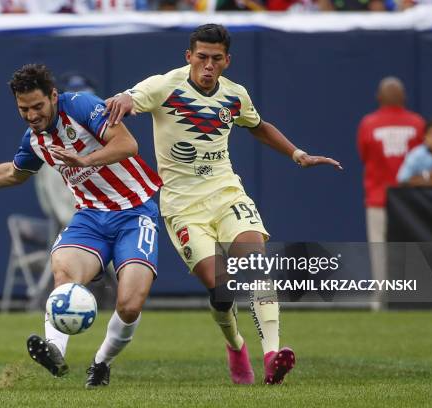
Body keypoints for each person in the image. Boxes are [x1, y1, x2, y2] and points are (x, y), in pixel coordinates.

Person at [105, 24, 341, 385]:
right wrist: (122, 97)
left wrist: (297, 153)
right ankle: (235, 344)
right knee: (222, 286)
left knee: (256, 262)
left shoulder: (234, 95)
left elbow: (258, 125)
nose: (208, 65)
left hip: (226, 193)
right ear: (189, 57)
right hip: (183, 207)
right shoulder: (165, 86)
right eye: (201, 57)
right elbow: (131, 97)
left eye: (216, 59)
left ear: (227, 61)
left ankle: (273, 355)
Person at [0, 63, 163, 389]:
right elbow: (11, 174)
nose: (32, 115)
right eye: (24, 109)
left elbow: (127, 145)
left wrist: (84, 160)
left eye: (37, 106)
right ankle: (55, 351)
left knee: (130, 303)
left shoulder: (81, 106)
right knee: (63, 269)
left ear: (53, 95)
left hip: (135, 211)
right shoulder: (34, 140)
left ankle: (101, 362)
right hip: (90, 216)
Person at [357, 77, 424, 243]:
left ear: (378, 97)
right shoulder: (418, 124)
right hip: (411, 201)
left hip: (379, 199)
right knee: (410, 255)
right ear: (404, 98)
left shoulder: (368, 124)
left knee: (380, 255)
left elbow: (364, 157)